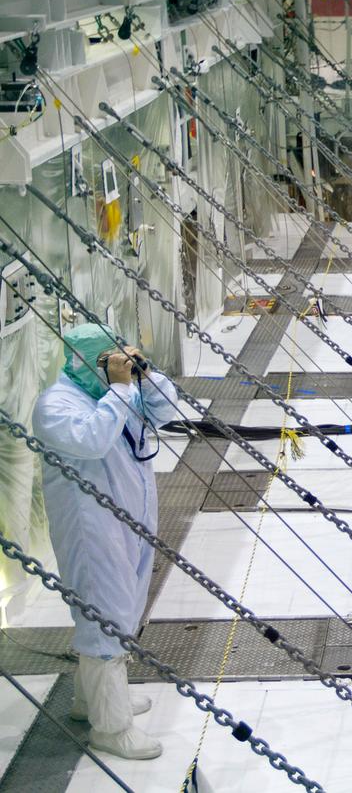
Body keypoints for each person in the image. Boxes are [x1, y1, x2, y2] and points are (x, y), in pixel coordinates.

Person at [32, 324, 180, 760]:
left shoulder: (117, 390)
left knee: (122, 607)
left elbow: (167, 411)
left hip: (128, 517)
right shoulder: (55, 405)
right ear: (83, 361)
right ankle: (111, 729)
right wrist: (118, 389)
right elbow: (94, 440)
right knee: (105, 615)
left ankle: (91, 699)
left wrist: (145, 378)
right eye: (107, 360)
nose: (116, 366)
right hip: (90, 526)